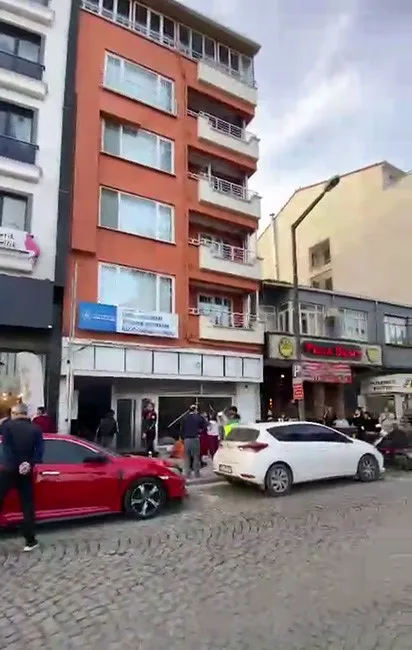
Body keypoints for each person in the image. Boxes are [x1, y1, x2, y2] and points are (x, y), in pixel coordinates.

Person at [0, 403, 44, 551]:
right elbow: (39, 451)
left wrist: (15, 463)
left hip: (8, 470)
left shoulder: (7, 426)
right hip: (26, 471)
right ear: (26, 413)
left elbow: (7, 448)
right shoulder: (36, 429)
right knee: (27, 506)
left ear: (14, 413)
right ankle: (30, 541)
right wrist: (28, 463)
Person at [181, 405, 204, 478]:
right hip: (195, 438)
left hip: (186, 439)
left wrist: (182, 438)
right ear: (195, 410)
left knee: (187, 457)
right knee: (196, 456)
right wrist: (199, 431)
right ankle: (197, 474)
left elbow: (181, 429)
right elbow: (204, 425)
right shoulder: (198, 417)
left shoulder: (185, 418)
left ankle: (187, 474)